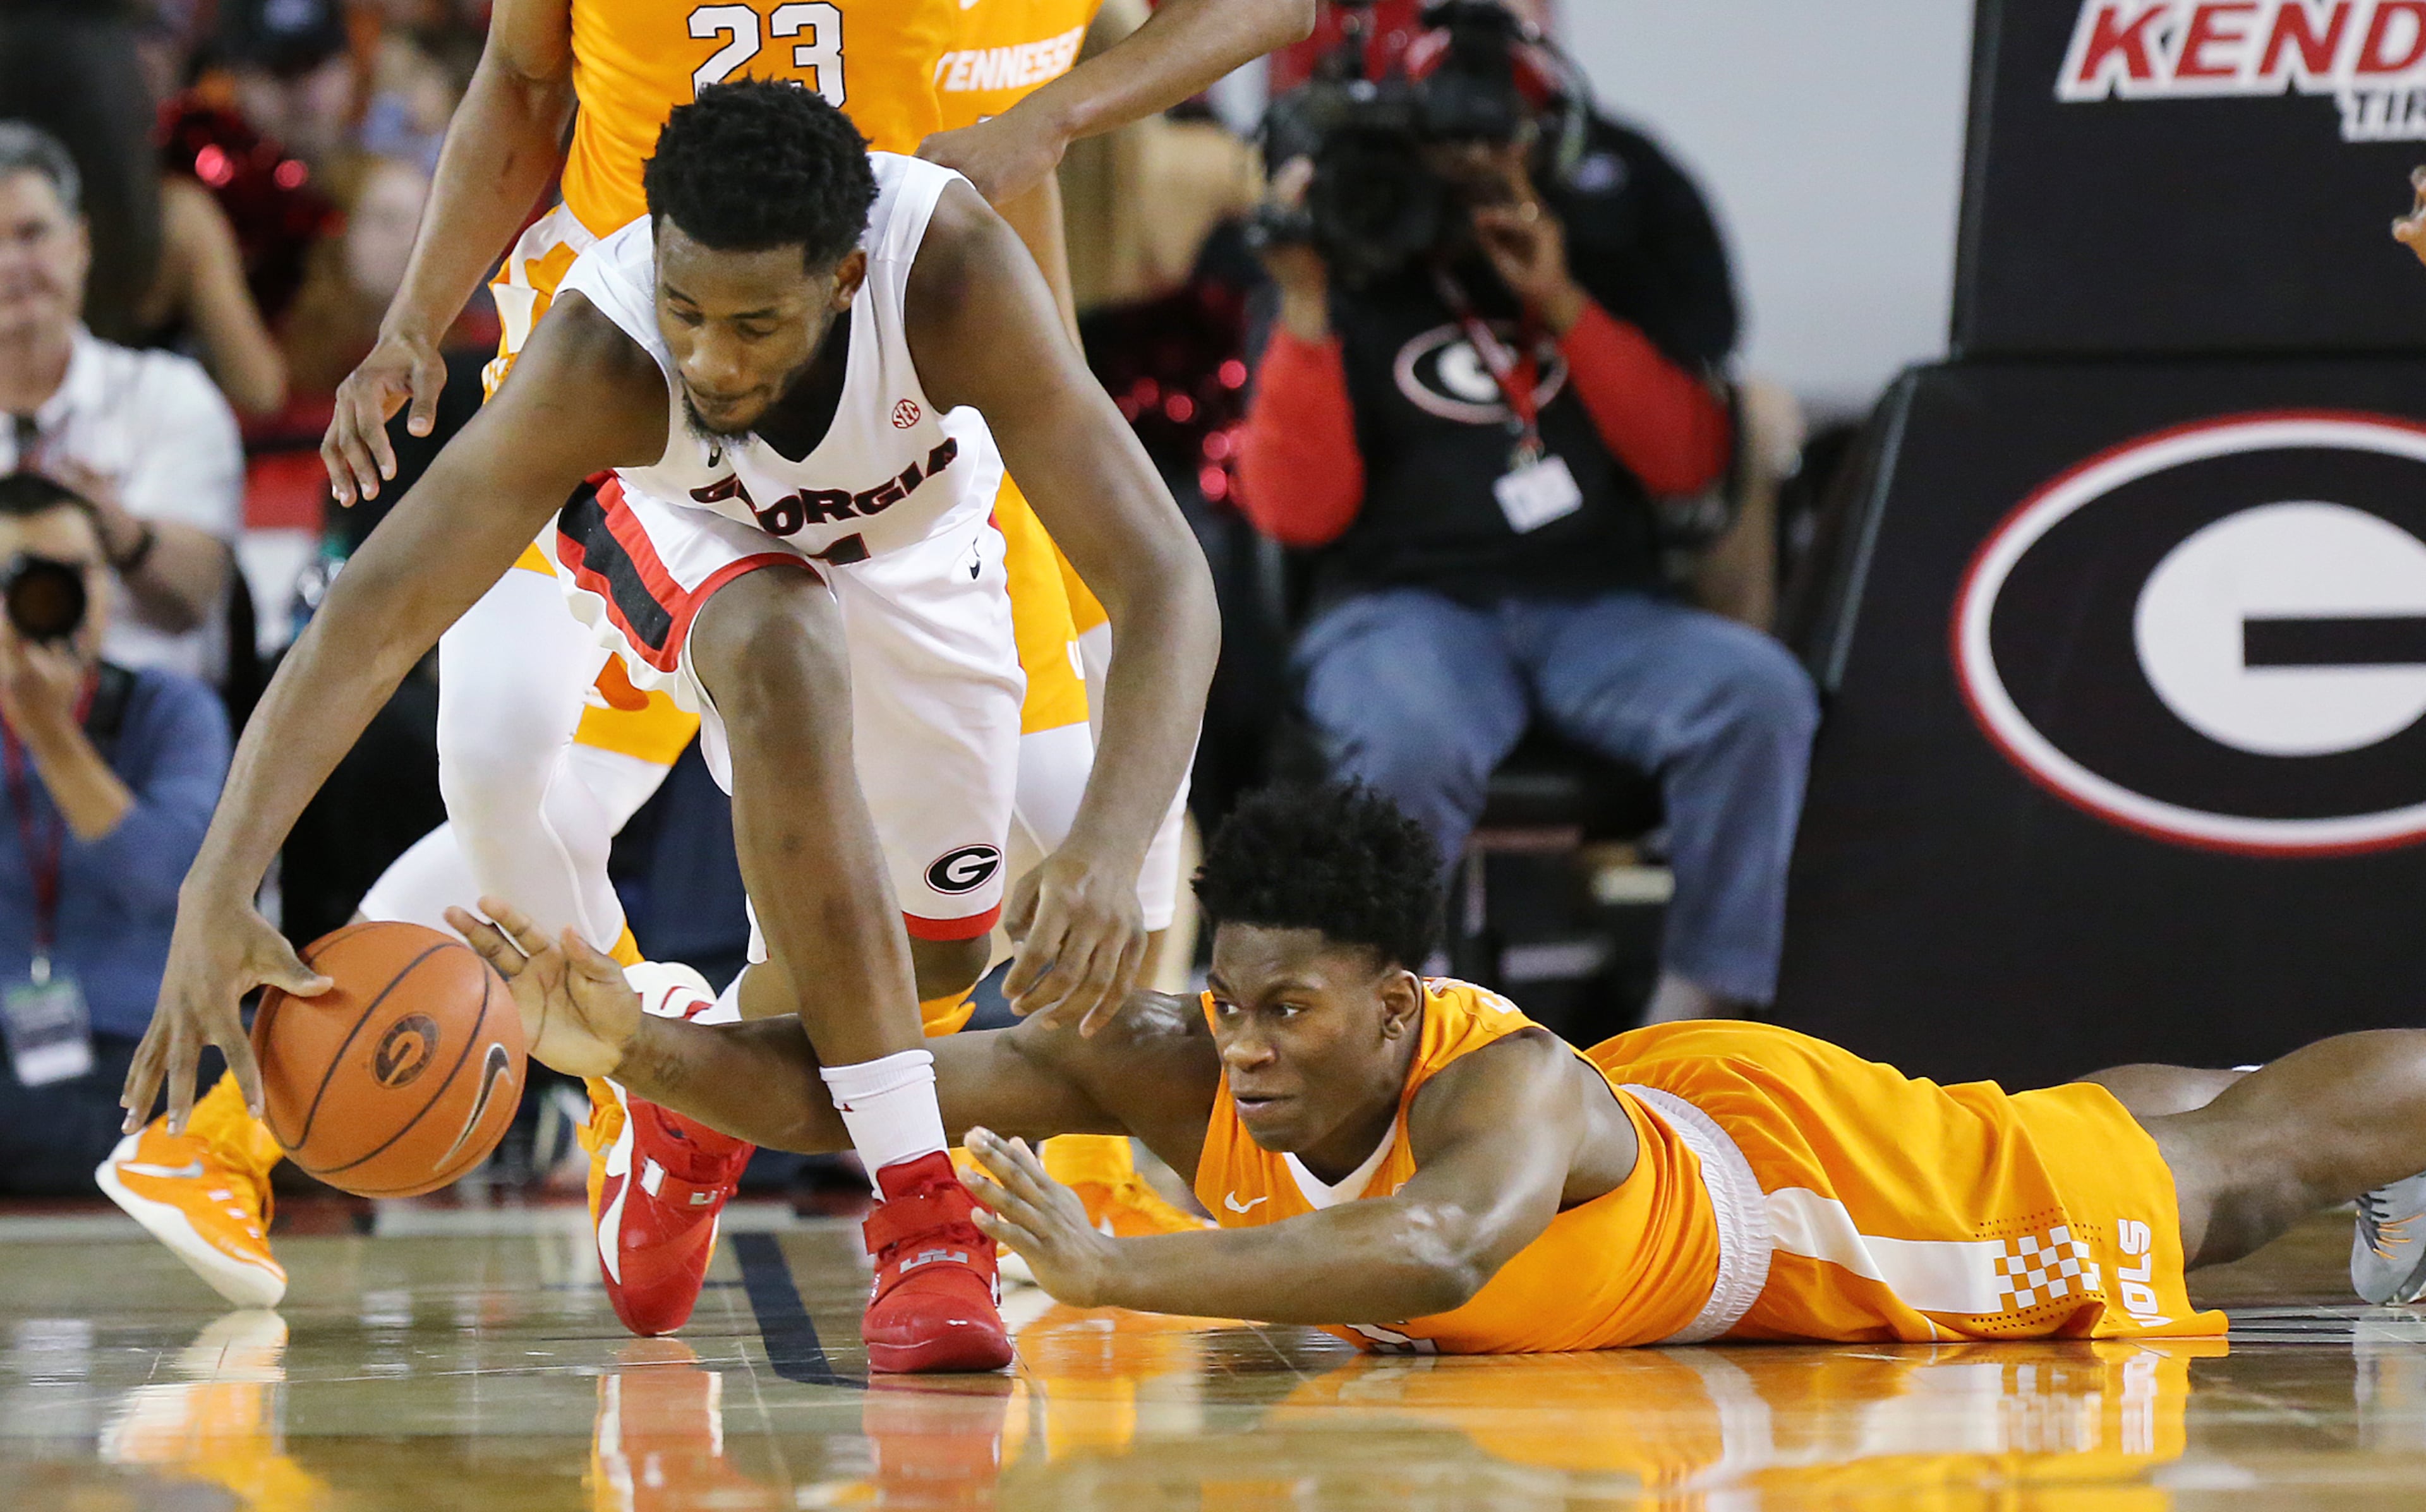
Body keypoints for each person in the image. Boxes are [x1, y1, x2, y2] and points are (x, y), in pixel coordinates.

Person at [104, 0, 1303, 1333]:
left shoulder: (947, 270)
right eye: (691, 314)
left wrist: (1107, 850)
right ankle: (915, 1211)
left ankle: (688, 1102)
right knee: (593, 726)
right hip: (669, 492)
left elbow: (1165, 581)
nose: (714, 358)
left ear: (841, 282)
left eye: (748, 327)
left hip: (907, 527)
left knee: (924, 961)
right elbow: (374, 613)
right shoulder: (616, 351)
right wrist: (217, 881)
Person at [463, 779, 2426, 1356]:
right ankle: (2237, 1083)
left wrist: (1123, 1268)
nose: (1246, 1048)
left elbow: (1432, 1252)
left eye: (1292, 1015)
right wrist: (627, 1042)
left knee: (2221, 1179)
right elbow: (860, 1090)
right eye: (1231, 1002)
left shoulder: (1507, 1092)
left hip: (1797, 1204)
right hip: (1686, 1112)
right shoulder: (1170, 1062)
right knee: (2064, 1124)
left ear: (1401, 1005)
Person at [1233, 3, 1814, 1023]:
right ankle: (1408, 1013)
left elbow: (1688, 464)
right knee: (1409, 735)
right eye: (1446, 146)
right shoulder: (1341, 236)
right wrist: (1309, 307)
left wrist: (1561, 295)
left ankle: (1700, 1012)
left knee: (1757, 695)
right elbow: (1299, 514)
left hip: (1600, 604)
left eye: (1494, 144)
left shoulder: (1614, 232)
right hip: (1401, 606)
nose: (1469, 170)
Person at [0, 475, 229, 1197]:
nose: (45, 599)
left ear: (106, 585)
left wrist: (48, 733)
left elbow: (165, 881)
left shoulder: (171, 708)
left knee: (257, 1087)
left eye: (72, 574)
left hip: (147, 1049)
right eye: (19, 578)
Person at [0, 124, 242, 686]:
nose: (11, 264)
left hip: (140, 713)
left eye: (33, 234)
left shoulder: (169, 395)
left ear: (80, 244)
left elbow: (199, 595)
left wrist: (115, 528)